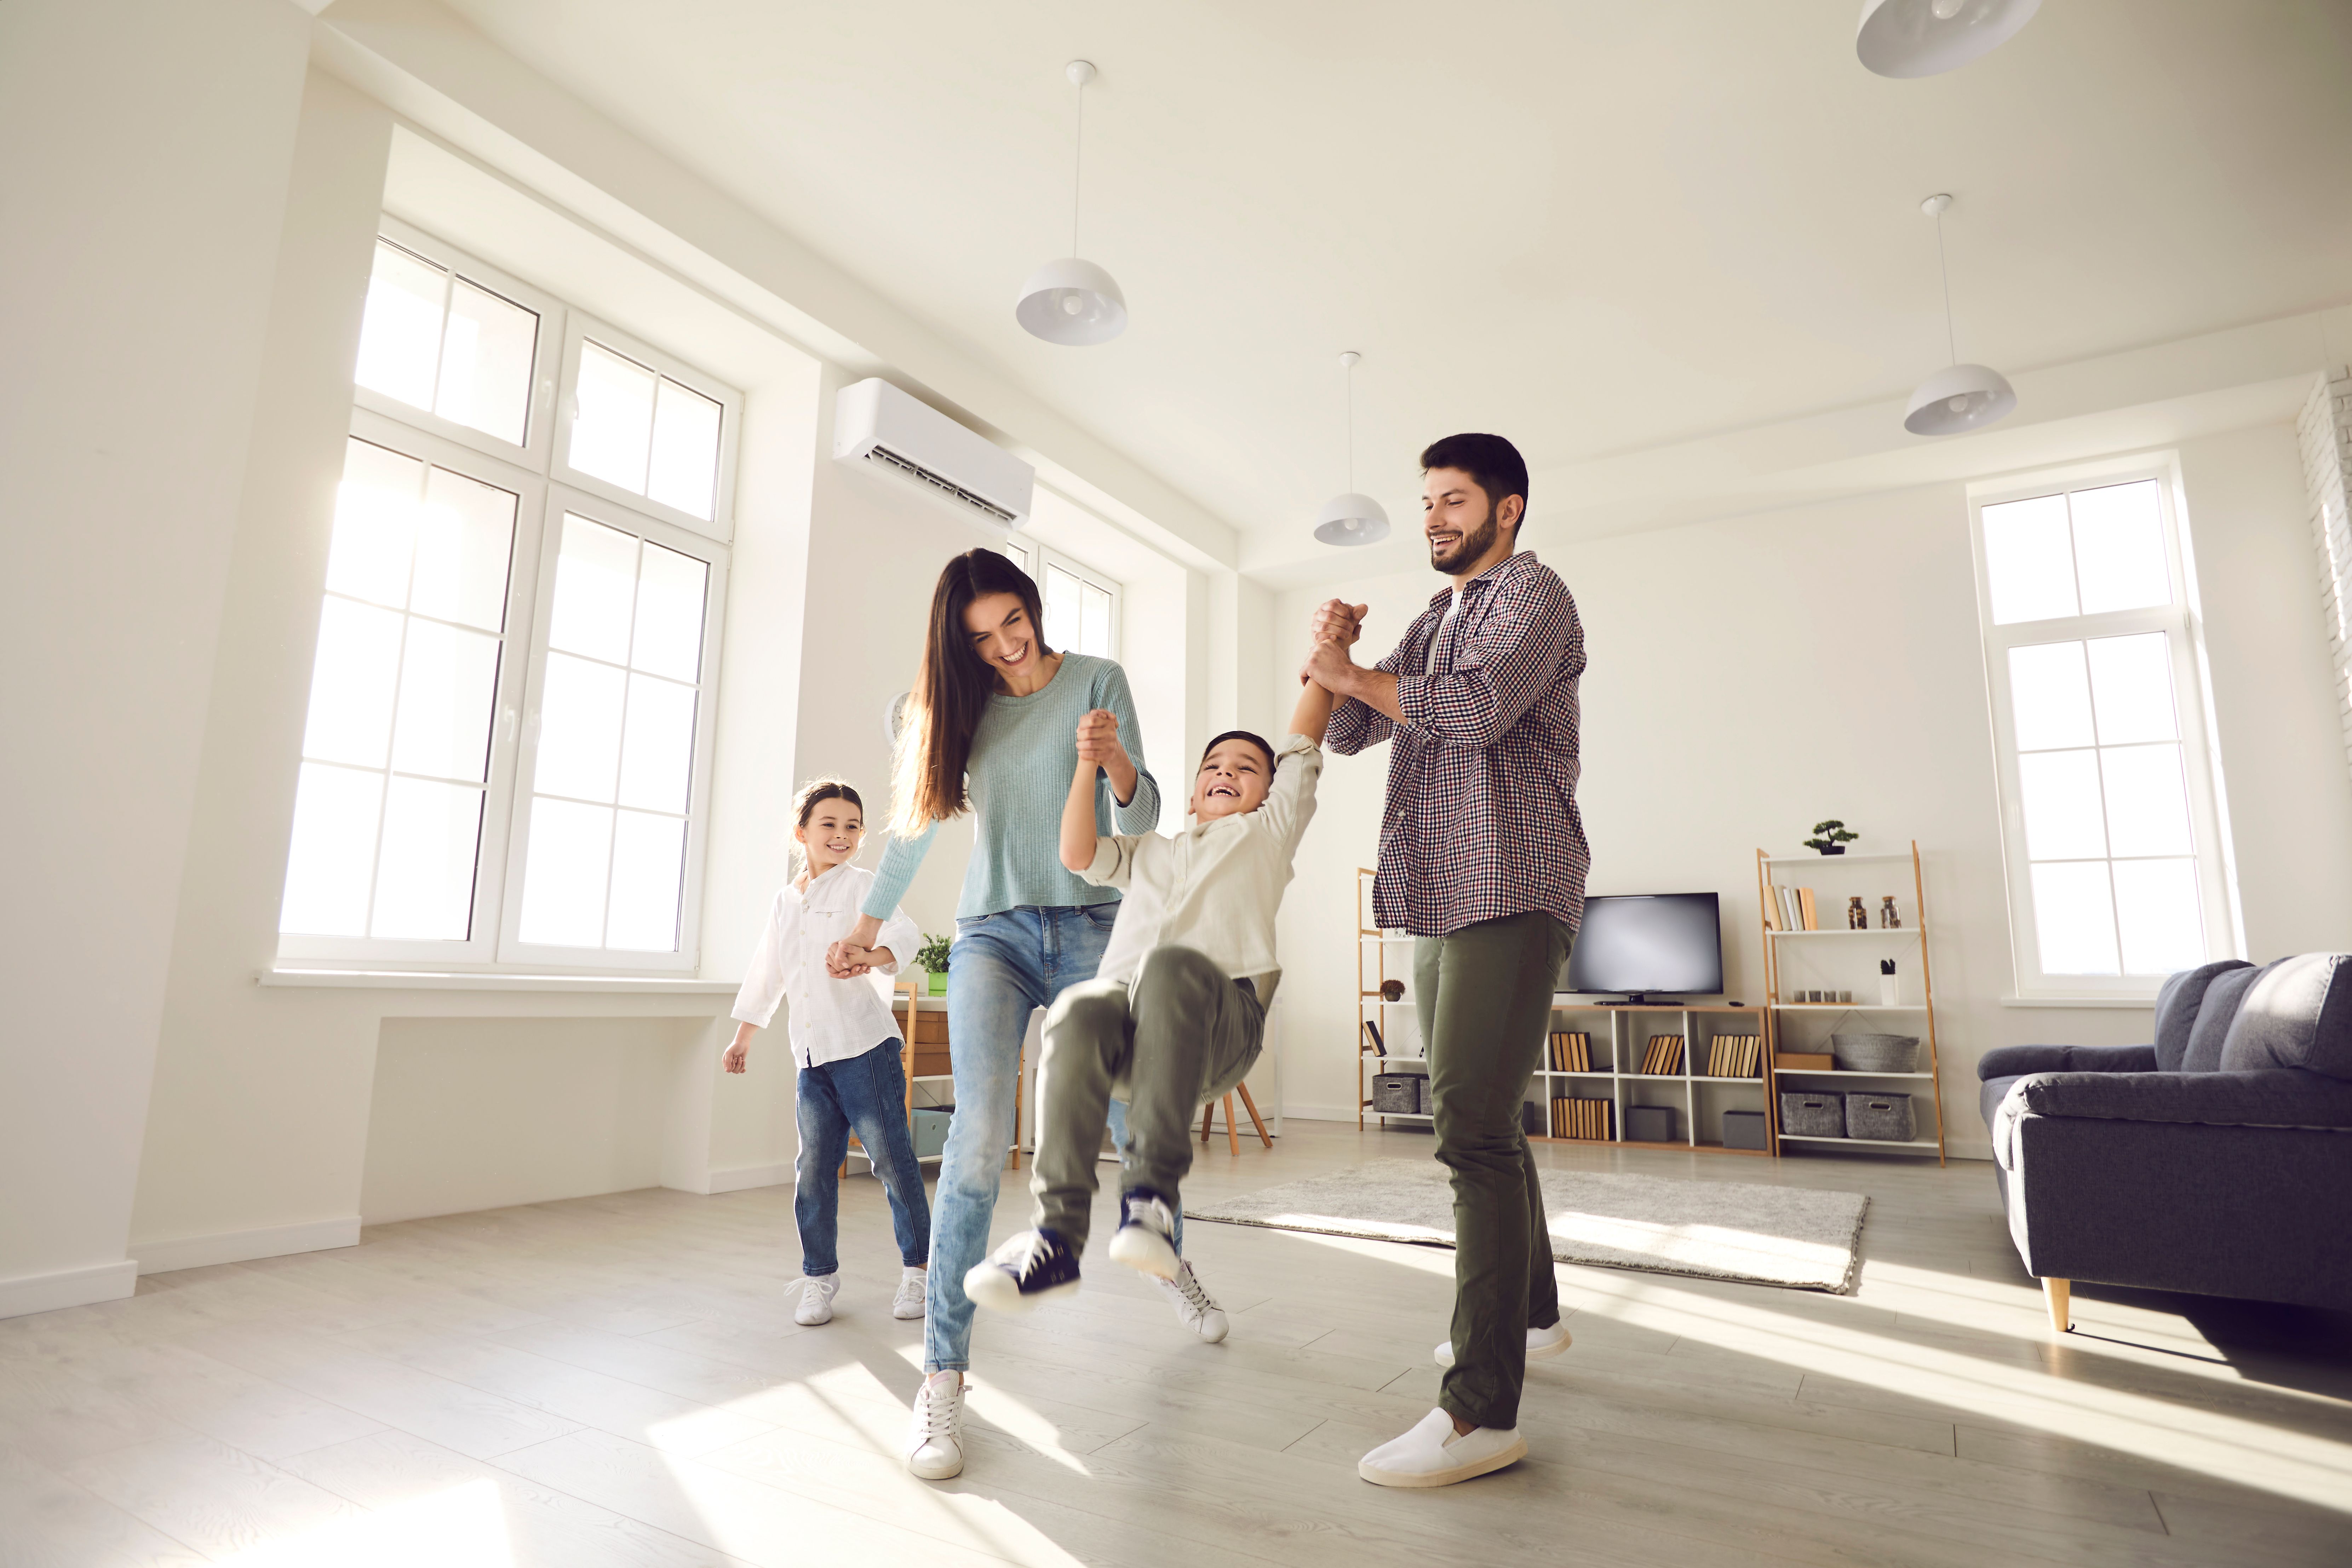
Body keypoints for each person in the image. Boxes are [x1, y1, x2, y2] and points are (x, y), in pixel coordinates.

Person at [827, 548, 1226, 1484]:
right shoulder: (956, 714)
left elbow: (1141, 822)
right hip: (993, 935)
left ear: (1033, 609)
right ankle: (943, 1379)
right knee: (974, 1142)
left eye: (1013, 623)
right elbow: (912, 832)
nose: (1005, 648)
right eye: (981, 639)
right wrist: (864, 928)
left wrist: (1113, 759)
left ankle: (1172, 1262)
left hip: (1094, 923)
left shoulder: (1095, 681)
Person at [1305, 433, 1589, 1489]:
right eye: (1425, 502)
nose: (1432, 518)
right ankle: (1535, 1317)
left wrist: (1356, 678)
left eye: (1452, 501)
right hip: (1434, 888)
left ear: (1505, 509)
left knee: (1468, 1126)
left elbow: (1471, 711)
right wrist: (1333, 660)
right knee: (1481, 1115)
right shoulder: (1437, 614)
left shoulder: (1531, 594)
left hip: (1511, 880)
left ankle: (1480, 1416)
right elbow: (1344, 736)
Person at [962, 670, 1333, 1312]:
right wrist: (1092, 765)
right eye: (1213, 765)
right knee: (1080, 1006)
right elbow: (1077, 854)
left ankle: (1151, 1203)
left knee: (1168, 966)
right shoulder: (1149, 852)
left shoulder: (1266, 835)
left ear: (1269, 796)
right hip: (1134, 1036)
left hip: (1221, 1026)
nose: (1226, 772)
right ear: (1191, 795)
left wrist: (1327, 664)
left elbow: (1301, 747)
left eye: (1246, 768)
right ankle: (1055, 1239)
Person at [724, 779, 930, 1328]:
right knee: (813, 1169)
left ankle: (919, 1271)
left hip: (866, 1048)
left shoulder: (866, 886)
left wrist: (871, 955)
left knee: (891, 1160)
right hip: (812, 1057)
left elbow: (907, 936)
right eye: (829, 825)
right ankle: (818, 1278)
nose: (842, 835)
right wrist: (744, 1035)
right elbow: (768, 970)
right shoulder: (785, 901)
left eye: (852, 826)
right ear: (802, 833)